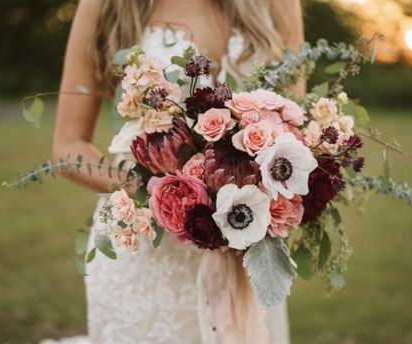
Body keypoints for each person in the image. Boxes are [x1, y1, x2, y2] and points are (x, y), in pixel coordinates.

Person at [51, 0, 305, 343]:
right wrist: (165, 193)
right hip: (142, 254)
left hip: (244, 251)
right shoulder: (105, 5)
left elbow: (296, 130)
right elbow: (68, 148)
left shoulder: (276, 4)